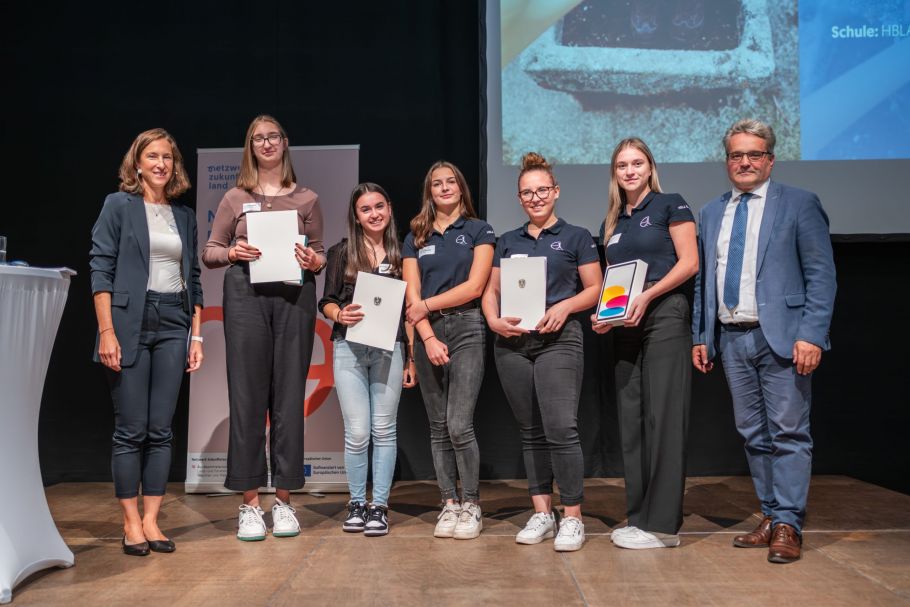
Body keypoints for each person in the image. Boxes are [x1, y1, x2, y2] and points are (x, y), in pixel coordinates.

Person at [692, 119, 836, 563]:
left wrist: (811, 334)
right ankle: (772, 515)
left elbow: (821, 274)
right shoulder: (712, 211)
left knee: (789, 432)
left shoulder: (799, 203)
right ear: (727, 161)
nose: (745, 162)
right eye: (736, 155)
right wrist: (702, 334)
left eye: (754, 154)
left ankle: (789, 523)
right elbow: (705, 280)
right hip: (732, 339)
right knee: (753, 434)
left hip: (784, 339)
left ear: (770, 160)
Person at [202, 115, 326, 541]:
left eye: (273, 136)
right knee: (248, 398)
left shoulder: (307, 198)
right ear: (250, 146)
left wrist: (314, 260)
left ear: (285, 142)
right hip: (245, 297)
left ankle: (285, 502)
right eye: (259, 138)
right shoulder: (235, 197)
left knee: (289, 398)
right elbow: (210, 251)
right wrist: (233, 251)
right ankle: (251, 504)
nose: (267, 143)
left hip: (294, 297)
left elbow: (321, 253)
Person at [90, 128, 204, 556]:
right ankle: (130, 522)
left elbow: (194, 278)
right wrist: (107, 331)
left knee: (161, 429)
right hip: (128, 321)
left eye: (167, 157)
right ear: (137, 163)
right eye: (152, 156)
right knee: (131, 429)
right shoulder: (118, 205)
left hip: (174, 320)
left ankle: (153, 520)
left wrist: (196, 335)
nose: (161, 164)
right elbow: (100, 268)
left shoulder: (184, 216)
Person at [482, 152, 601, 552]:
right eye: (527, 193)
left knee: (561, 427)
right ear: (519, 198)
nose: (535, 198)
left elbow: (595, 288)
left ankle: (573, 516)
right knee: (530, 429)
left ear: (556, 191)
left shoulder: (577, 237)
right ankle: (542, 513)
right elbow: (490, 291)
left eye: (542, 190)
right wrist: (493, 320)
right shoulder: (507, 241)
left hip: (559, 339)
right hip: (512, 343)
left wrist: (564, 307)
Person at [590, 138, 698, 549]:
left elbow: (690, 262)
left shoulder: (671, 204)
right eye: (622, 165)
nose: (630, 171)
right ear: (614, 173)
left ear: (650, 167)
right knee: (632, 420)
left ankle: (664, 527)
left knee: (664, 419)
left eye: (637, 163)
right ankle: (639, 518)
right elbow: (613, 281)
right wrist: (605, 315)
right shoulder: (612, 222)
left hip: (665, 313)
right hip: (626, 324)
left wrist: (649, 295)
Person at [402, 161, 495, 540]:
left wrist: (427, 305)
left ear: (461, 188)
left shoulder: (479, 230)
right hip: (429, 332)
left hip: (468, 326)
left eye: (450, 182)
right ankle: (449, 503)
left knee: (459, 424)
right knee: (438, 427)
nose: (444, 188)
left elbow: (475, 287)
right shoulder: (416, 237)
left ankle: (471, 503)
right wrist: (426, 337)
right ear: (429, 192)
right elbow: (412, 295)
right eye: (436, 183)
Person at [319, 183, 417, 537]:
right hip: (349, 348)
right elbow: (326, 301)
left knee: (384, 430)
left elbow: (410, 309)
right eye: (365, 209)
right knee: (358, 433)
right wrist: (339, 313)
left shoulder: (404, 252)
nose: (374, 214)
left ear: (389, 208)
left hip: (391, 349)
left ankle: (380, 506)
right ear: (356, 216)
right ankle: (357, 502)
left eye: (379, 206)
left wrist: (411, 357)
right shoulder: (341, 252)